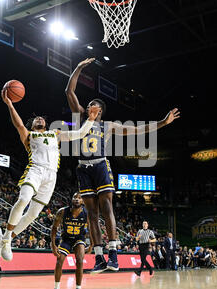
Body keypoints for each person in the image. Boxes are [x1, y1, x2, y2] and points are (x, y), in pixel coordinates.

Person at [65, 58, 180, 273]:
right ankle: (99, 257)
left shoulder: (108, 126)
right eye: (89, 103)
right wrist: (79, 68)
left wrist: (163, 123)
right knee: (91, 214)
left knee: (107, 207)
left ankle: (113, 255)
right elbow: (69, 91)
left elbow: (139, 130)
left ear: (100, 111)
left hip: (100, 165)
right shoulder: (80, 117)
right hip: (83, 167)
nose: (91, 105)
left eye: (95, 105)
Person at [0, 88, 101, 263]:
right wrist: (10, 105)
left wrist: (90, 119)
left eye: (41, 118)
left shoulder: (55, 134)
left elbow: (79, 134)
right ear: (33, 124)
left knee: (33, 215)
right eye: (36, 119)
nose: (40, 119)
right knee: (23, 199)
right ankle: (6, 239)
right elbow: (19, 125)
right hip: (35, 170)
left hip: (51, 176)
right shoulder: (29, 135)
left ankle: (3, 241)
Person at [50, 192, 92, 289]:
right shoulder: (62, 211)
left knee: (80, 261)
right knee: (59, 261)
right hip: (66, 239)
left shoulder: (87, 214)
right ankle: (56, 288)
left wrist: (91, 245)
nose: (77, 199)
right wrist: (53, 245)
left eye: (79, 198)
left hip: (79, 239)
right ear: (72, 199)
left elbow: (91, 230)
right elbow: (54, 228)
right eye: (75, 197)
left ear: (83, 201)